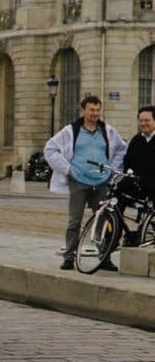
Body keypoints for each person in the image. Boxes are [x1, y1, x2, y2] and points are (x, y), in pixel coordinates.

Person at [45, 94, 127, 271]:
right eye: (91, 110)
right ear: (83, 111)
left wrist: (111, 169)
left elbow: (122, 149)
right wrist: (68, 170)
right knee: (75, 221)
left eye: (98, 110)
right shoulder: (71, 131)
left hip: (102, 182)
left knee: (104, 221)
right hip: (79, 181)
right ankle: (69, 256)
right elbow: (50, 149)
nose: (95, 113)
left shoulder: (108, 131)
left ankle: (104, 257)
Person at [123, 105, 155, 200]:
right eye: (141, 121)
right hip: (137, 184)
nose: (143, 123)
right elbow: (127, 160)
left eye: (147, 120)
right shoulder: (136, 140)